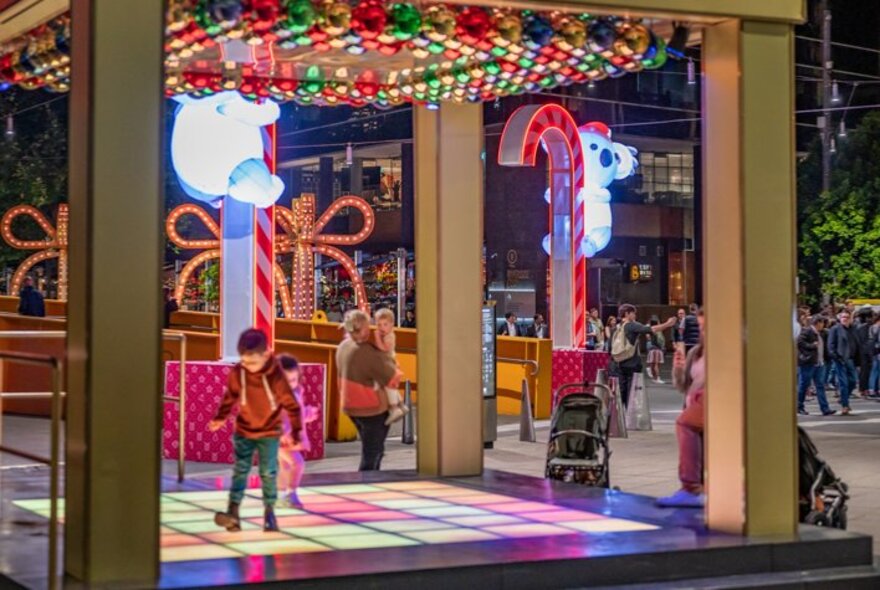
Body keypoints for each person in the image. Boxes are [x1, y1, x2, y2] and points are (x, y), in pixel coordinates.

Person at [209, 329, 303, 532]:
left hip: (269, 432)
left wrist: (295, 433)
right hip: (244, 429)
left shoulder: (276, 375)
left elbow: (292, 405)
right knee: (240, 471)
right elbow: (231, 396)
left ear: (266, 354)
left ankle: (269, 511)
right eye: (245, 362)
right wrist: (220, 417)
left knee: (268, 472)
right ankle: (233, 511)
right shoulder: (239, 372)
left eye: (253, 363)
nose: (249, 368)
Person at [337, 309, 401, 471]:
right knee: (372, 452)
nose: (371, 329)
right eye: (368, 326)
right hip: (371, 409)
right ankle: (367, 483)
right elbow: (391, 376)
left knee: (371, 447)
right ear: (362, 328)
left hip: (350, 405)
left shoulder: (343, 346)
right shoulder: (366, 351)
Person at [657, 310, 706, 508]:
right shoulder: (697, 352)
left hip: (707, 407)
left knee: (685, 425)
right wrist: (679, 367)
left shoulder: (728, 351)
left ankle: (691, 487)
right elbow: (683, 385)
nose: (704, 331)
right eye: (702, 327)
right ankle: (695, 488)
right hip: (694, 405)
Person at [609, 304, 677, 407]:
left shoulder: (616, 328)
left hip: (617, 365)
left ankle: (618, 420)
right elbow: (650, 329)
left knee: (619, 397)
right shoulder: (631, 325)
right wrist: (667, 324)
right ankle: (629, 419)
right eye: (633, 313)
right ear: (627, 313)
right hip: (631, 365)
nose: (635, 315)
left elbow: (610, 347)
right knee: (631, 396)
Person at [277, 354, 320, 508]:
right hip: (281, 438)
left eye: (293, 380)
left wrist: (307, 414)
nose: (290, 384)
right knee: (298, 463)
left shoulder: (295, 394)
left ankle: (281, 494)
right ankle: (290, 493)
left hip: (288, 437)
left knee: (285, 465)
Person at [372, 308, 408, 425]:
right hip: (386, 363)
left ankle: (394, 408)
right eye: (379, 325)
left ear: (392, 325)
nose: (381, 327)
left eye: (385, 324)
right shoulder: (387, 335)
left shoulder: (390, 336)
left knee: (388, 386)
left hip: (388, 364)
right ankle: (401, 405)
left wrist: (377, 338)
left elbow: (384, 349)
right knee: (391, 386)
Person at [797, 316, 836, 417]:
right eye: (822, 323)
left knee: (820, 386)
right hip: (808, 363)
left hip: (819, 363)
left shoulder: (822, 333)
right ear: (817, 323)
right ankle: (799, 406)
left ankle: (825, 409)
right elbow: (799, 342)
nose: (823, 325)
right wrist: (812, 345)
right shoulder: (807, 331)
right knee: (804, 385)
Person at [828, 310, 857, 415]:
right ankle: (845, 405)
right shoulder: (835, 329)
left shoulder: (853, 329)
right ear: (839, 318)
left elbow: (856, 343)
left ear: (850, 318)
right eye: (843, 317)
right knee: (843, 383)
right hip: (840, 360)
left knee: (853, 381)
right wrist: (836, 357)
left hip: (851, 359)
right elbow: (831, 346)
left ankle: (844, 398)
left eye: (847, 317)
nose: (844, 319)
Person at [854, 308, 875, 397]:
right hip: (865, 352)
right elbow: (864, 341)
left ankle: (864, 388)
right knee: (865, 371)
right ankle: (864, 388)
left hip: (863, 352)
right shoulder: (864, 327)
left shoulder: (859, 326)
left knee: (865, 371)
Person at [645, 317, 666, 384]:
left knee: (653, 364)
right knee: (656, 364)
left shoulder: (651, 329)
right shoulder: (657, 330)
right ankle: (657, 378)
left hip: (653, 348)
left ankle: (655, 378)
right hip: (657, 348)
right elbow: (660, 340)